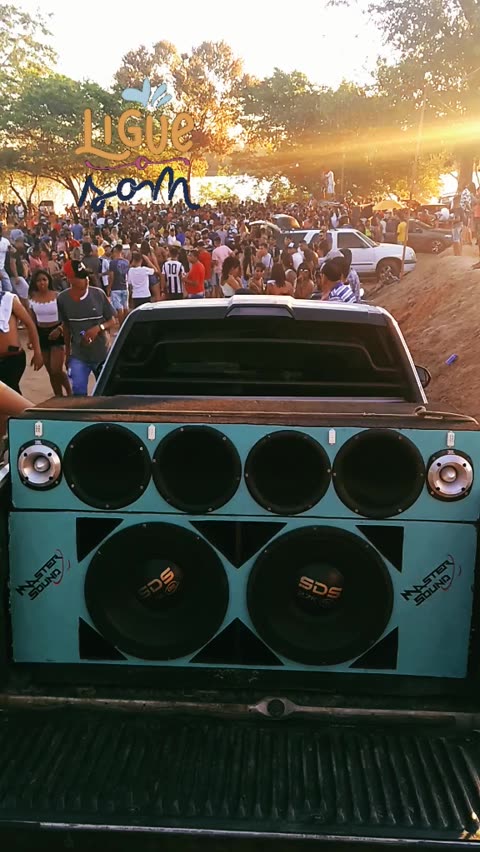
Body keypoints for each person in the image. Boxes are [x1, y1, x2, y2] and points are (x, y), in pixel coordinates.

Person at [57, 260, 116, 395]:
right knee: (78, 391)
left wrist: (98, 328)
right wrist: (68, 354)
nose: (85, 279)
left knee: (106, 392)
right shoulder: (62, 299)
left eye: (85, 276)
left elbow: (112, 320)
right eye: (80, 277)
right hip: (79, 355)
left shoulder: (98, 294)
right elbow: (66, 327)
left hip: (102, 353)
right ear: (69, 279)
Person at [28, 269, 71, 396]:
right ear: (35, 283)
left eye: (44, 280)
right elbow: (32, 322)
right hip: (41, 334)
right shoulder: (32, 299)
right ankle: (58, 396)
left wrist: (60, 329)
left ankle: (69, 392)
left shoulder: (58, 296)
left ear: (49, 281)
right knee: (50, 371)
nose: (42, 283)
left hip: (57, 332)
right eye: (38, 280)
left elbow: (67, 318)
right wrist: (31, 339)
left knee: (56, 369)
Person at [0, 291, 43, 392]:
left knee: (10, 391)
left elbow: (30, 324)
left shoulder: (8, 299)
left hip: (12, 358)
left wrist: (37, 352)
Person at [107, 245, 129, 326]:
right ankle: (127, 324)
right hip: (125, 286)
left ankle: (121, 326)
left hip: (116, 288)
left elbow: (111, 276)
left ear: (115, 252)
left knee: (119, 308)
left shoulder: (112, 263)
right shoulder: (126, 262)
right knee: (126, 307)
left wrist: (109, 287)